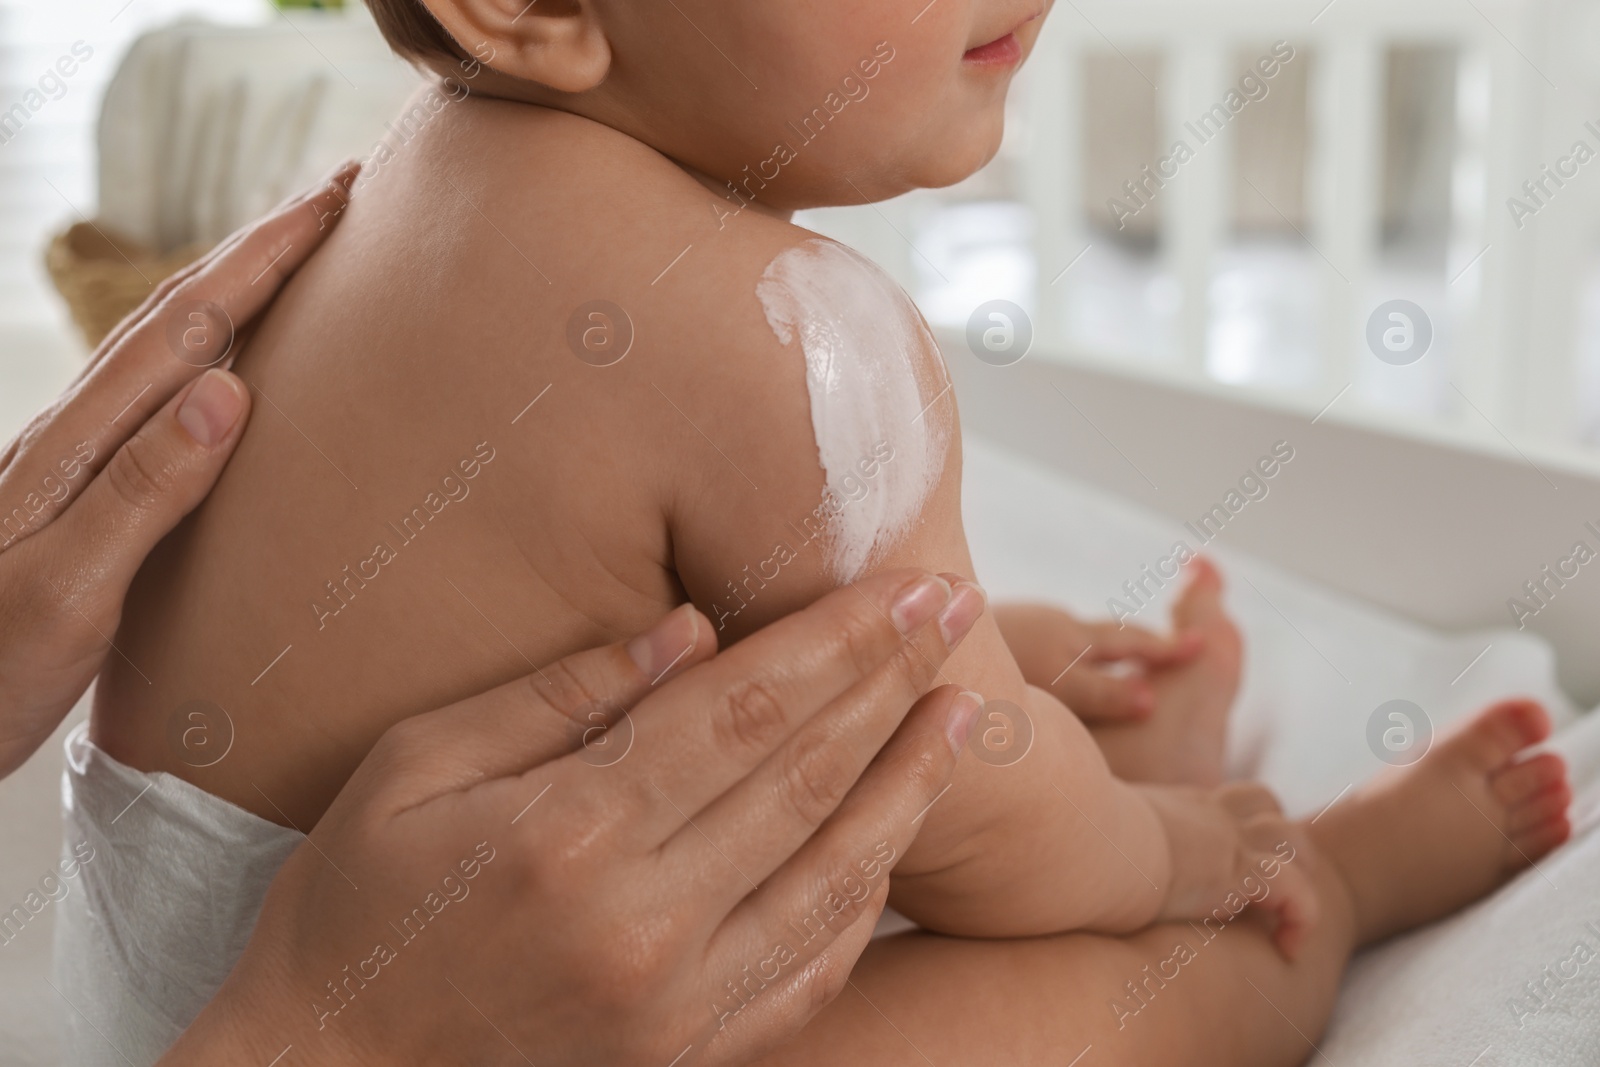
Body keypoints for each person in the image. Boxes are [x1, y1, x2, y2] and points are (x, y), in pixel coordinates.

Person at [79, 0, 1576, 1063]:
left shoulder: (400, 185)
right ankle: (1320, 897)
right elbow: (972, 805)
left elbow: (644, 623)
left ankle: (1075, 705)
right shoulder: (780, 335)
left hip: (188, 993)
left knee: (940, 684)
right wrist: (1169, 850)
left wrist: (999, 682)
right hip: (439, 1007)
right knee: (1069, 1014)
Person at [0, 170, 980, 1066]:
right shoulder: (780, 318)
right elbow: (980, 816)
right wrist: (344, 1037)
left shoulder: (380, 230)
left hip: (116, 1015)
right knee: (1097, 979)